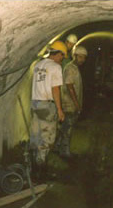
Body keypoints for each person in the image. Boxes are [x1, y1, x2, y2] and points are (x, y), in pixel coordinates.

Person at [30, 40, 67, 176]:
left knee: (35, 136)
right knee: (47, 139)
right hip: (47, 105)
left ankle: (33, 168)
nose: (62, 59)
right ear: (58, 54)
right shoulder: (55, 67)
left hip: (35, 104)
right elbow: (55, 89)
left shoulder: (38, 64)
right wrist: (59, 109)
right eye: (62, 56)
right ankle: (41, 171)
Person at [55, 46, 88, 157]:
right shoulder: (70, 68)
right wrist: (77, 104)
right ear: (74, 56)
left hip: (70, 103)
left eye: (84, 57)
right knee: (68, 128)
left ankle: (57, 147)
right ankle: (65, 152)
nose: (82, 59)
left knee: (65, 127)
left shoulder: (74, 68)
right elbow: (69, 86)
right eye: (80, 57)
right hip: (69, 104)